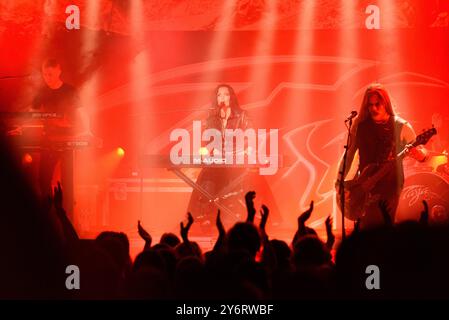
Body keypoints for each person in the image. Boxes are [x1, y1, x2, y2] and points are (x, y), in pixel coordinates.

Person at [187, 84, 280, 233]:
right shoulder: (212, 118)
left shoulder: (242, 115)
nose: (222, 98)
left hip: (238, 159)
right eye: (219, 95)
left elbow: (251, 137)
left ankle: (264, 217)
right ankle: (204, 216)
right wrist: (208, 151)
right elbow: (208, 141)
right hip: (219, 160)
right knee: (207, 174)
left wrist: (243, 152)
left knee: (253, 176)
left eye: (226, 94)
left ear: (232, 97)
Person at [336, 83, 427, 229]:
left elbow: (422, 153)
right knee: (366, 229)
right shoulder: (360, 125)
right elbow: (348, 155)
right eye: (370, 105)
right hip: (365, 184)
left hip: (390, 187)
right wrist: (339, 183)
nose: (373, 108)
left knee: (382, 227)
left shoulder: (401, 126)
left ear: (386, 103)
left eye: (377, 104)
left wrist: (420, 154)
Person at [30, 58, 90, 210]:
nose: (47, 78)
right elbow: (32, 112)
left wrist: (88, 129)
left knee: (67, 180)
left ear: (58, 71)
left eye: (50, 74)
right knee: (43, 179)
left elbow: (81, 111)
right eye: (44, 74)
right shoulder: (42, 92)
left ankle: (67, 211)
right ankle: (48, 211)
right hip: (48, 139)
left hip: (67, 138)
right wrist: (25, 126)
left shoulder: (70, 91)